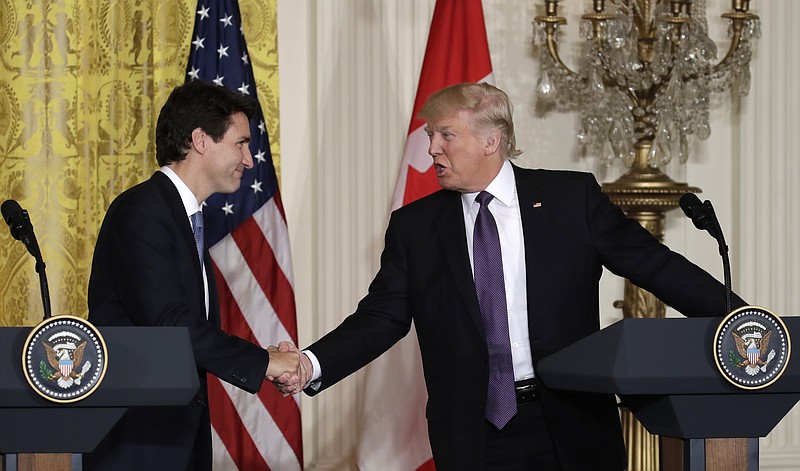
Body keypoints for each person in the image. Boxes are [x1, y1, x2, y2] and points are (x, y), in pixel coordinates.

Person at [275, 82, 746, 470]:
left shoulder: (569, 199)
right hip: (474, 434)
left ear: (490, 140)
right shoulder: (415, 227)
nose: (432, 148)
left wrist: (747, 324)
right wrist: (312, 364)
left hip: (571, 420)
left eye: (444, 135)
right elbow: (381, 317)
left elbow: (655, 266)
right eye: (430, 136)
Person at [85, 80, 301, 471]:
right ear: (201, 140)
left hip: (179, 438)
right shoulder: (142, 212)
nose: (250, 160)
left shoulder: (186, 219)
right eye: (240, 143)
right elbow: (170, 325)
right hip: (139, 443)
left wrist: (265, 357)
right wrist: (264, 363)